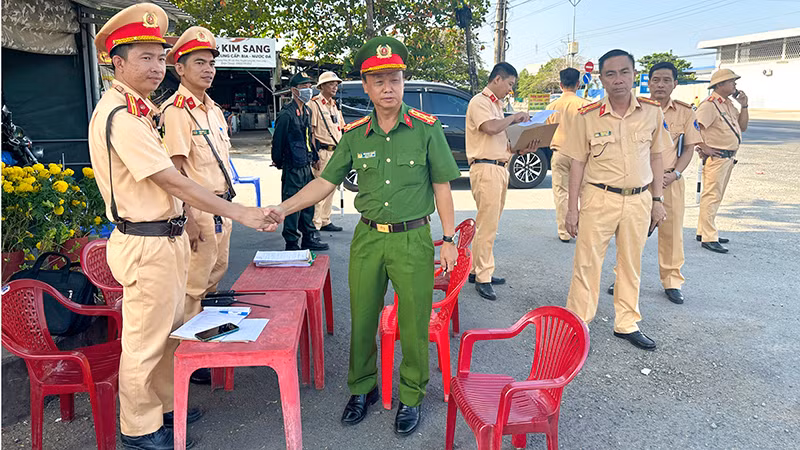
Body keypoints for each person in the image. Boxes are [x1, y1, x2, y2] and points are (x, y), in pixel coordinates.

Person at [89, 5, 276, 449]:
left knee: (172, 331)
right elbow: (171, 177)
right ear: (118, 62)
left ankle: (166, 407)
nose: (156, 67)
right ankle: (138, 429)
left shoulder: (139, 111)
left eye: (159, 57)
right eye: (145, 58)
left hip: (166, 238)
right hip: (145, 241)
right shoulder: (118, 115)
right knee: (144, 343)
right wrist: (240, 213)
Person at [265, 37, 460, 436]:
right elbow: (324, 183)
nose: (388, 87)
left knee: (413, 321)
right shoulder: (354, 135)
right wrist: (282, 209)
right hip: (369, 239)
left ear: (403, 82)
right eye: (378, 80)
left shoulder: (426, 129)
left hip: (413, 239)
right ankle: (362, 388)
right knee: (363, 317)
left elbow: (442, 186)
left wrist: (451, 239)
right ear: (366, 87)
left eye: (395, 79)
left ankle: (411, 393)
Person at [562, 49, 672, 351]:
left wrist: (657, 200)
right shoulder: (587, 116)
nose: (618, 79)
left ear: (634, 75)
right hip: (599, 196)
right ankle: (578, 323)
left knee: (630, 263)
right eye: (610, 74)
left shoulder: (651, 112)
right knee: (587, 263)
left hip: (639, 199)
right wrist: (572, 209)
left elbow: (657, 155)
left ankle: (626, 322)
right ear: (601, 79)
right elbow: (578, 163)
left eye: (624, 72)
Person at [160, 26, 235, 385]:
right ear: (181, 69)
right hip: (199, 213)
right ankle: (188, 358)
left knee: (213, 281)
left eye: (211, 63)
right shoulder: (176, 112)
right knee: (193, 287)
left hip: (221, 208)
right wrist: (187, 218)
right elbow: (174, 172)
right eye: (199, 63)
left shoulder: (214, 110)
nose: (208, 69)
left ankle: (201, 346)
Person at [608, 62, 703, 304]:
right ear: (648, 82)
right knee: (631, 234)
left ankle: (672, 281)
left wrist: (677, 174)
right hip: (639, 182)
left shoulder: (685, 112)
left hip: (671, 181)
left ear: (675, 84)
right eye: (656, 80)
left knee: (671, 234)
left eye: (666, 80)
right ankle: (622, 277)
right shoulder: (635, 109)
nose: (660, 85)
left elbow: (690, 148)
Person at [465, 62, 537, 301]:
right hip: (486, 169)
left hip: (498, 167)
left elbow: (501, 142)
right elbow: (490, 128)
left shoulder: (496, 105)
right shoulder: (480, 102)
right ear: (497, 79)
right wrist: (514, 118)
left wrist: (520, 150)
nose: (510, 90)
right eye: (510, 84)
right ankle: (483, 276)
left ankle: (478, 270)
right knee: (488, 226)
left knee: (488, 223)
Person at [271, 72, 328, 251]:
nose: (308, 90)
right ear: (294, 90)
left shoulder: (307, 111)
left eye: (309, 86)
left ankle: (309, 237)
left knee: (308, 203)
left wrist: (315, 157)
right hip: (293, 166)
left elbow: (309, 137)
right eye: (304, 87)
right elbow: (278, 143)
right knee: (292, 205)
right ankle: (291, 242)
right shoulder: (286, 115)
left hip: (305, 164)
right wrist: (280, 162)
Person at [695, 68, 748, 253]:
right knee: (711, 196)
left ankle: (704, 231)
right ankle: (709, 237)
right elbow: (695, 129)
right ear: (720, 84)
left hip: (728, 158)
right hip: (716, 158)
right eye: (732, 82)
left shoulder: (728, 104)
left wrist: (744, 106)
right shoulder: (709, 105)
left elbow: (742, 126)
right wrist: (703, 147)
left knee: (715, 196)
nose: (735, 85)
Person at [545, 68, 591, 243]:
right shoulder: (587, 105)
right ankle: (586, 230)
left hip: (560, 152)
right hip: (583, 155)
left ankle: (564, 232)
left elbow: (546, 133)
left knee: (561, 192)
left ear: (560, 84)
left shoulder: (551, 107)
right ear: (578, 84)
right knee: (585, 193)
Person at [310, 71, 345, 232]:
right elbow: (310, 132)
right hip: (322, 152)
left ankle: (325, 219)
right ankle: (315, 223)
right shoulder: (314, 104)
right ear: (322, 86)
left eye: (336, 84)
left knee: (331, 187)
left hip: (335, 151)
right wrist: (313, 154)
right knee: (320, 188)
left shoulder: (333, 104)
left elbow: (341, 128)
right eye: (331, 84)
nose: (335, 87)